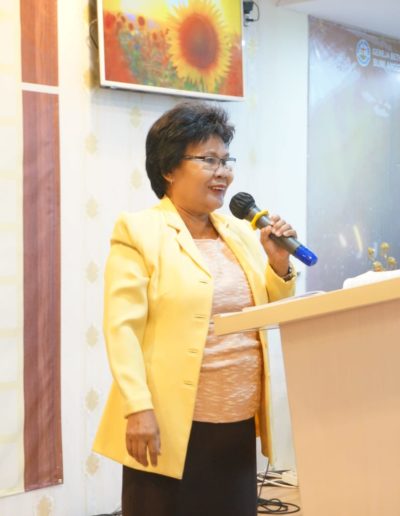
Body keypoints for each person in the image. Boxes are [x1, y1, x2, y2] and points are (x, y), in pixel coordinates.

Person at [93, 101, 297, 516]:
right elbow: (122, 329)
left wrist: (278, 264)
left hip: (237, 424)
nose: (223, 172)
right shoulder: (140, 231)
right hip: (170, 425)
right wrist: (138, 406)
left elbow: (267, 312)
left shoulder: (240, 233)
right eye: (208, 160)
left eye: (226, 160)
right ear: (169, 168)